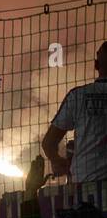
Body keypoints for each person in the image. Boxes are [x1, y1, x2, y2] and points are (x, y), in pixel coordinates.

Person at [42, 41, 107, 184]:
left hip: (86, 183)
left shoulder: (77, 96)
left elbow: (48, 143)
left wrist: (59, 161)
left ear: (96, 65)